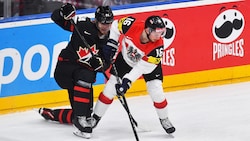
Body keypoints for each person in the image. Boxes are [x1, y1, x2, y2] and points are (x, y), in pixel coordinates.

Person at [38, 3, 114, 139]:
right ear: (96, 20)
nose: (105, 26)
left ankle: (53, 114)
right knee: (87, 75)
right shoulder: (82, 25)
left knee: (85, 112)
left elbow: (106, 65)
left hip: (81, 78)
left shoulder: (111, 40)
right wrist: (62, 12)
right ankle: (80, 119)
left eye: (108, 23)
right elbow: (56, 18)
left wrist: (101, 64)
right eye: (103, 23)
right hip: (65, 69)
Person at [91, 15, 176, 134]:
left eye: (162, 32)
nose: (159, 36)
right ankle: (95, 118)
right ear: (147, 30)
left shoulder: (157, 48)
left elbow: (141, 68)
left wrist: (127, 81)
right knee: (110, 88)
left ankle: (164, 118)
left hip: (147, 65)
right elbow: (115, 26)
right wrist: (112, 43)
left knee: (156, 90)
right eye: (157, 32)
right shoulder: (131, 24)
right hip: (125, 60)